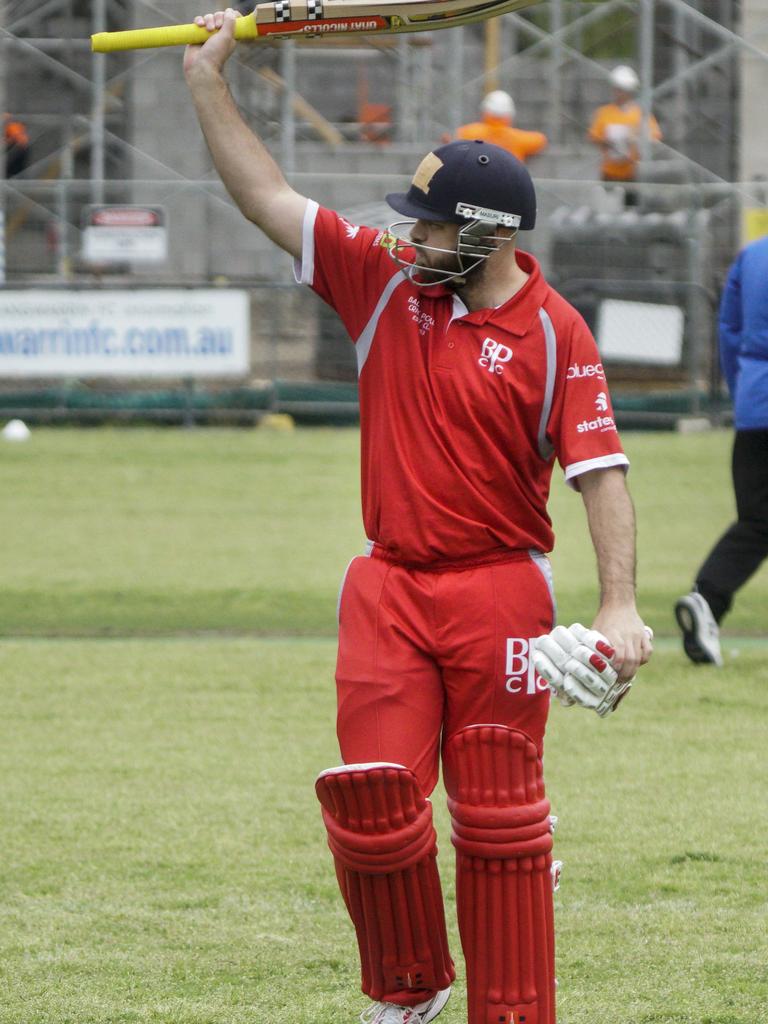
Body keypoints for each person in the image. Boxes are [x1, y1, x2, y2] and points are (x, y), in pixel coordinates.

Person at [183, 10, 653, 1023]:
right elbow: (265, 193)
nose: (412, 233)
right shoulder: (384, 280)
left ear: (486, 233)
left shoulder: (555, 328)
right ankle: (410, 987)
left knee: (495, 820)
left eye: (432, 222)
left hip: (500, 590)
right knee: (373, 798)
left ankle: (510, 1002)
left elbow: (600, 471)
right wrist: (207, 80)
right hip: (387, 587)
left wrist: (619, 608)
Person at [675, 235, 768, 667]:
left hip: (756, 405)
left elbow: (729, 331)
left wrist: (745, 388)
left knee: (756, 521)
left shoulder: (752, 255)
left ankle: (707, 599)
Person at [588, 65, 661, 201]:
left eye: (622, 90)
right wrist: (608, 142)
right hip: (609, 173)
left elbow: (654, 138)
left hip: (633, 174)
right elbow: (594, 137)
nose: (618, 93)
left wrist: (635, 140)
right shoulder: (604, 113)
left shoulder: (640, 114)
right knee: (608, 208)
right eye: (616, 89)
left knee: (631, 211)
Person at [455, 89, 548, 163]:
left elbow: (450, 138)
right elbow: (540, 140)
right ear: (509, 115)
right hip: (509, 182)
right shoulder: (517, 138)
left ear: (485, 112)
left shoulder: (470, 133)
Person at [2, 113, 30, 178]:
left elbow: (18, 139)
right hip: (17, 149)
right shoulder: (13, 127)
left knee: (14, 170)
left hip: (17, 149)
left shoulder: (13, 127)